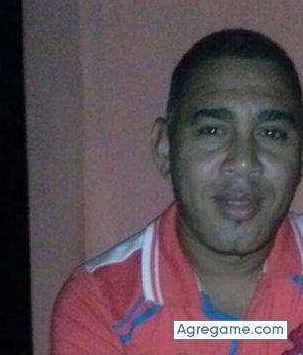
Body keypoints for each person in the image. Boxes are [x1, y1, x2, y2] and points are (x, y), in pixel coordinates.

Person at [51, 29, 303, 355]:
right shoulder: (102, 303)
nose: (243, 161)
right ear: (165, 148)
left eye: (271, 133)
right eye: (212, 130)